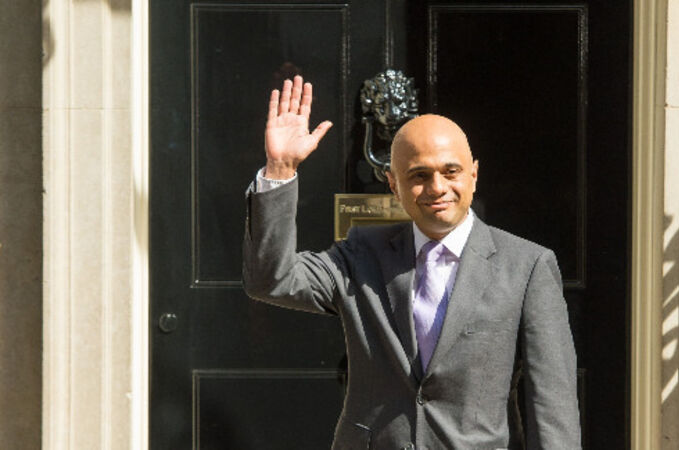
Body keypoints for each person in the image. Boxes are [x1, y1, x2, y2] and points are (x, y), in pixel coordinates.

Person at [243, 76, 581, 449]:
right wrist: (280, 169)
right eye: (419, 175)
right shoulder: (362, 253)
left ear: (473, 174)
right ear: (393, 184)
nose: (437, 187)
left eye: (451, 171)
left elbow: (552, 404)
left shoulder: (527, 266)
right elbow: (272, 280)